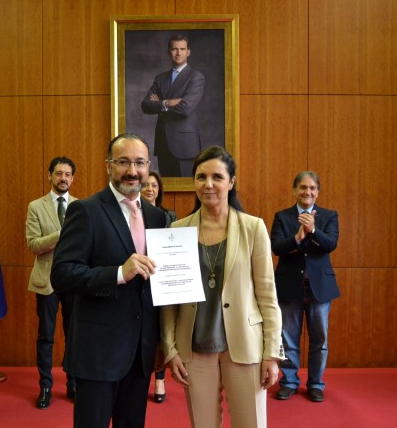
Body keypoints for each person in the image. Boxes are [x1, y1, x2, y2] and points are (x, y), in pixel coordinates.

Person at [161, 146, 285, 428]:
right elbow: (169, 301)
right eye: (201, 177)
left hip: (245, 346)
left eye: (217, 177)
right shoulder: (176, 231)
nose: (208, 184)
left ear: (231, 182)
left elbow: (268, 296)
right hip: (194, 348)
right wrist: (170, 349)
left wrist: (272, 354)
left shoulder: (253, 228)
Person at [51, 133, 167, 428]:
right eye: (123, 162)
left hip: (141, 353)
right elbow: (62, 274)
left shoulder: (159, 218)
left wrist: (164, 341)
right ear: (108, 166)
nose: (132, 171)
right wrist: (117, 273)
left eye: (139, 163)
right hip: (98, 352)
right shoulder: (86, 211)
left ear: (148, 165)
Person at [270, 171, 340, 403]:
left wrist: (313, 231)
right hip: (290, 285)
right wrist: (298, 238)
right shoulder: (282, 216)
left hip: (319, 288)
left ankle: (316, 384)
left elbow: (330, 244)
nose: (307, 192)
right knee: (288, 338)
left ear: (317, 192)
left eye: (312, 188)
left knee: (320, 340)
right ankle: (289, 382)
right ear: (294, 190)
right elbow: (277, 247)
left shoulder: (329, 216)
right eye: (302, 188)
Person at [26, 156, 77, 409]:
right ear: (49, 176)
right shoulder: (36, 206)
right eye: (58, 173)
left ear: (73, 178)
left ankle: (73, 382)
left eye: (67, 174)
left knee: (74, 335)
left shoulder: (82, 206)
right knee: (46, 337)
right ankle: (45, 386)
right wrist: (62, 232)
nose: (63, 178)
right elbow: (33, 245)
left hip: (73, 281)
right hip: (46, 281)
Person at [141, 34, 205, 178]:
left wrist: (159, 104)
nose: (178, 53)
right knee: (166, 190)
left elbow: (185, 108)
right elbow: (145, 105)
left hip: (185, 145)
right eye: (174, 49)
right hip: (163, 143)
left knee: (186, 190)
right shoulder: (160, 78)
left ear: (188, 52)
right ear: (169, 51)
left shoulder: (196, 77)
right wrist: (167, 102)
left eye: (182, 49)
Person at [141, 170, 177, 404]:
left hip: (162, 281)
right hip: (137, 279)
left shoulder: (168, 216)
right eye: (146, 185)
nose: (150, 189)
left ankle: (160, 380)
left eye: (154, 185)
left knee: (160, 331)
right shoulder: (130, 215)